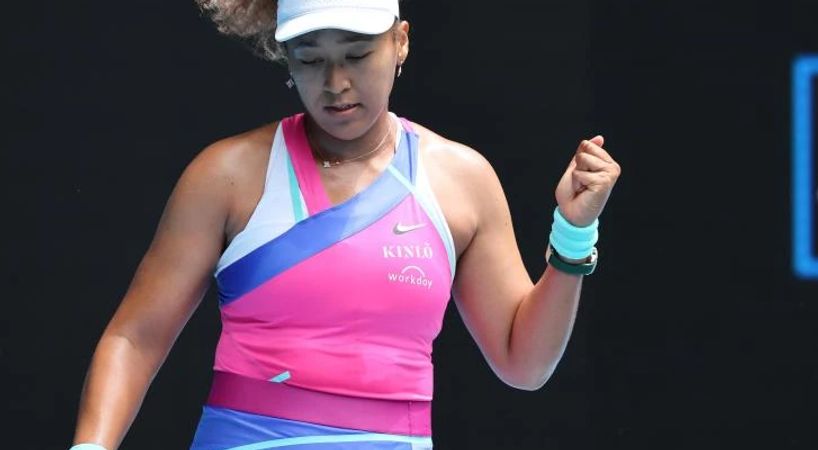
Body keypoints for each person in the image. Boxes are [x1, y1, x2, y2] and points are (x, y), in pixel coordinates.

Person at [69, 0, 621, 449]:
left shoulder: (461, 179)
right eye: (310, 60)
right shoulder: (226, 176)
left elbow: (522, 363)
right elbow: (135, 338)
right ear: (284, 58)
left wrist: (573, 234)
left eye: (357, 55)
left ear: (401, 41)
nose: (335, 83)